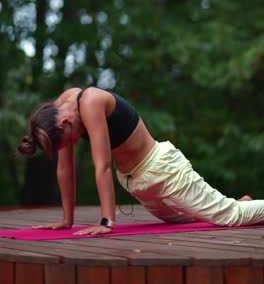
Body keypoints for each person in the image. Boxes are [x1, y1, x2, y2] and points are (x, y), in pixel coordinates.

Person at [17, 86, 264, 235]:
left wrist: (106, 221)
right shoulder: (59, 108)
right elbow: (65, 168)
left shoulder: (89, 102)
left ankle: (238, 206)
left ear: (64, 123)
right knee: (197, 216)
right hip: (138, 184)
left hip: (164, 172)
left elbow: (102, 166)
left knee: (230, 217)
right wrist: (67, 220)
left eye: (69, 141)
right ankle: (238, 203)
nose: (72, 145)